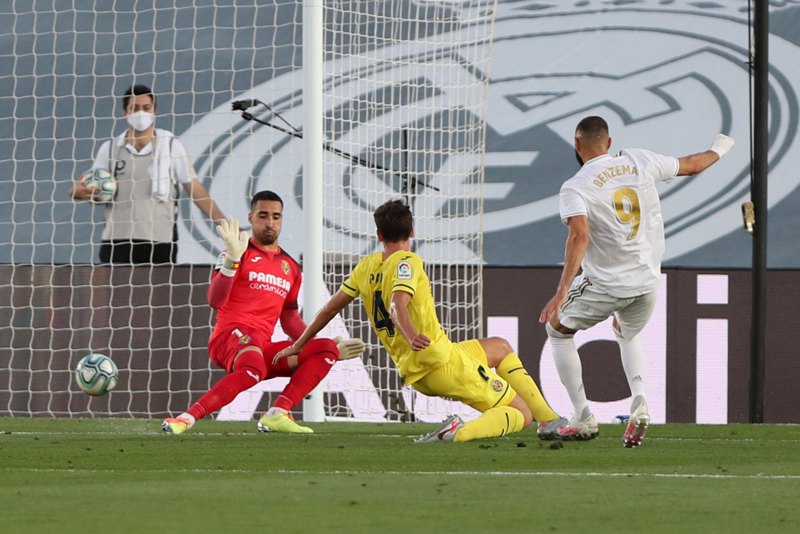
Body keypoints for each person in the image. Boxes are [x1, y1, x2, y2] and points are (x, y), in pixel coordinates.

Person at [273, 199, 566, 443]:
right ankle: (459, 432)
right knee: (521, 414)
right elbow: (397, 303)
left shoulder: (365, 267)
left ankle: (550, 420)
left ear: (378, 235)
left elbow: (327, 310)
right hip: (438, 362)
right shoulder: (408, 261)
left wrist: (297, 344)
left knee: (499, 347)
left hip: (418, 366)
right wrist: (412, 334)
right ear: (412, 231)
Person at [538, 116, 735, 447]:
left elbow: (579, 237)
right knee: (626, 332)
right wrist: (722, 146)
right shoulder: (639, 160)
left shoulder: (576, 186)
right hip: (647, 280)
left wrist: (560, 294)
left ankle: (583, 416)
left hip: (606, 283)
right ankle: (640, 402)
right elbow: (692, 165)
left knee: (557, 330)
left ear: (577, 145)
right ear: (610, 143)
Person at [161, 190, 366, 434]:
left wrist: (310, 342)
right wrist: (232, 262)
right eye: (263, 215)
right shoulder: (237, 251)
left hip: (259, 345)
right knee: (253, 367)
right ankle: (186, 418)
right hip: (229, 337)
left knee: (325, 349)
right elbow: (215, 300)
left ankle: (279, 412)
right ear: (251, 217)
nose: (270, 223)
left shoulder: (290, 267)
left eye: (276, 217)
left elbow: (289, 316)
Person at [70, 84, 226, 264]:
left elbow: (195, 188)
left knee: (157, 292)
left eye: (146, 108)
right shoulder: (110, 148)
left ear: (154, 111)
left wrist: (222, 222)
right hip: (116, 240)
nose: (141, 113)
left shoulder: (170, 146)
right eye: (134, 108)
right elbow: (88, 186)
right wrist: (76, 192)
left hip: (159, 240)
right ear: (125, 112)